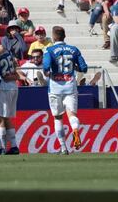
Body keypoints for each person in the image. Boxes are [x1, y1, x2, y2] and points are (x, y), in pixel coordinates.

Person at [43, 26, 88, 155]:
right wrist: (75, 67)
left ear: (53, 37)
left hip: (55, 87)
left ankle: (63, 147)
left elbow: (46, 66)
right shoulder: (74, 50)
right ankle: (75, 130)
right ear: (64, 36)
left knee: (58, 118)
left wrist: (47, 71)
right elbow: (84, 68)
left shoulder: (49, 50)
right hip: (70, 86)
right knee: (72, 115)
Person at [0, 33, 19, 154]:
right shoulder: (7, 51)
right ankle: (14, 146)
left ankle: (2, 147)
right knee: (6, 118)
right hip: (13, 87)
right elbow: (14, 65)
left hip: (4, 87)